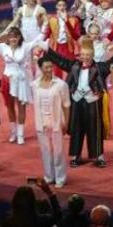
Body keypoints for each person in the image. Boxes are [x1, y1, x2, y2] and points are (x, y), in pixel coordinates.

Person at [0, 22, 47, 145]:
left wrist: (44, 27)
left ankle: (21, 134)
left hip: (21, 82)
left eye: (15, 36)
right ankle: (13, 132)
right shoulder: (3, 47)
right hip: (7, 80)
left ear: (19, 37)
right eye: (10, 37)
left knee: (21, 107)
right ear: (8, 38)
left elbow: (38, 40)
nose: (13, 39)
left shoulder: (25, 47)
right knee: (10, 106)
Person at [48, 41, 112, 168]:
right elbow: (60, 60)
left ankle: (98, 156)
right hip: (77, 101)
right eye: (82, 54)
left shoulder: (99, 67)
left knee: (95, 128)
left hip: (92, 101)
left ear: (92, 54)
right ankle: (75, 156)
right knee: (76, 129)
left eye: (87, 54)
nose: (85, 57)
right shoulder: (74, 66)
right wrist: (47, 49)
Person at [30, 54, 71, 186]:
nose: (49, 69)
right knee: (46, 151)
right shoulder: (35, 85)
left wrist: (66, 122)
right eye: (45, 67)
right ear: (40, 68)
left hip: (57, 122)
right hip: (41, 122)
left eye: (50, 66)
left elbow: (66, 105)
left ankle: (60, 178)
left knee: (58, 151)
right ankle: (49, 176)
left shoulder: (61, 84)